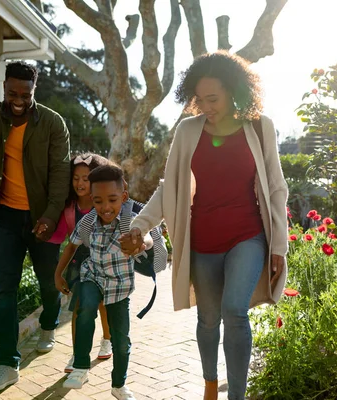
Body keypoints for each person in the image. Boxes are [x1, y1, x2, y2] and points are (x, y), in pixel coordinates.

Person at [122, 51, 288, 400]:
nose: (205, 106)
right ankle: (211, 382)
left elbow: (275, 187)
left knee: (235, 311)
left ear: (234, 91)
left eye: (213, 98)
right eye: (199, 99)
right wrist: (140, 225)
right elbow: (171, 187)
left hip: (248, 236)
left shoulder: (259, 126)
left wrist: (279, 247)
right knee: (209, 320)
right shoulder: (188, 131)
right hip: (203, 242)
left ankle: (237, 395)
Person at [0, 61, 70, 392]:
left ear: (33, 91)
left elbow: (60, 175)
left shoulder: (52, 124)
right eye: (12, 92)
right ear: (4, 88)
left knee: (48, 282)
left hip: (42, 217)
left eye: (24, 94)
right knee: (4, 289)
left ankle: (48, 325)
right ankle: (7, 363)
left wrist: (51, 215)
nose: (18, 100)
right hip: (4, 217)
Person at [54, 164, 151, 399]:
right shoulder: (88, 222)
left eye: (112, 200)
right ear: (92, 199)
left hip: (119, 287)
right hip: (93, 277)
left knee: (121, 340)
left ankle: (119, 385)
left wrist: (140, 243)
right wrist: (58, 274)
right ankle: (80, 367)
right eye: (98, 201)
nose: (105, 207)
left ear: (124, 197)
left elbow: (147, 239)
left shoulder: (130, 221)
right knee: (85, 309)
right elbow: (71, 246)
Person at [47, 152, 115, 373]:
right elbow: (61, 239)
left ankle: (107, 338)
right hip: (78, 264)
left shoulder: (102, 205)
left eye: (86, 178)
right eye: (76, 178)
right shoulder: (69, 207)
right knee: (78, 308)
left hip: (103, 261)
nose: (80, 183)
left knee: (103, 304)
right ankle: (77, 355)